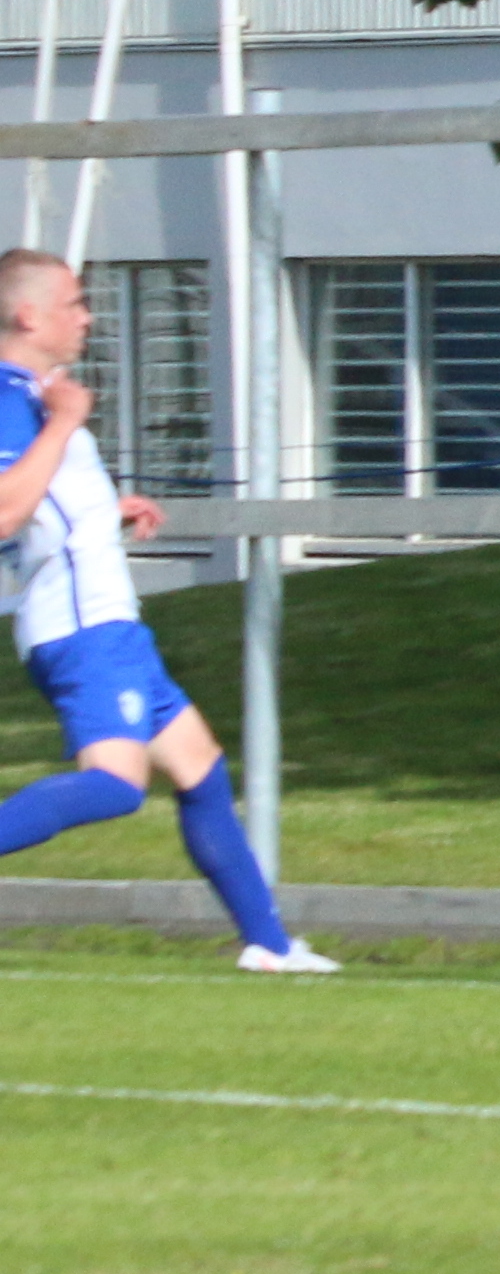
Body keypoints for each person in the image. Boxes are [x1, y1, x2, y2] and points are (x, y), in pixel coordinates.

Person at [0, 248, 331, 972]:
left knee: (200, 768)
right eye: (74, 302)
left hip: (109, 623)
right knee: (116, 786)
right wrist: (64, 424)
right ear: (29, 315)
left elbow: (42, 506)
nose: (87, 317)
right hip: (83, 631)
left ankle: (271, 948)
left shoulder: (35, 396)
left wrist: (104, 510)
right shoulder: (11, 398)